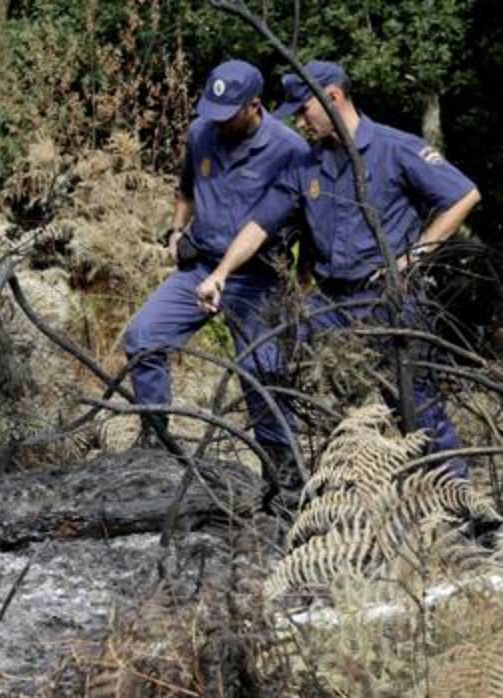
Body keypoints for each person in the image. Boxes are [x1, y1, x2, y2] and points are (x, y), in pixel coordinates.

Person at [196, 61, 481, 477]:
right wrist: (220, 273)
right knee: (268, 365)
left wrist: (414, 257)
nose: (298, 121)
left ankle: (458, 503)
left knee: (414, 404)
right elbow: (260, 224)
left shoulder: (394, 148)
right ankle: (289, 480)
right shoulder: (305, 165)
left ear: (332, 97)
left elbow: (464, 195)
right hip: (332, 302)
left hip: (390, 300)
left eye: (303, 110)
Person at [123, 59, 308, 508]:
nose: (218, 123)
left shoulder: (290, 149)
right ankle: (157, 442)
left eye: (229, 114)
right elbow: (185, 189)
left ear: (254, 106)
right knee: (143, 337)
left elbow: (307, 220)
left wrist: (302, 285)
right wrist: (175, 231)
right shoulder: (201, 131)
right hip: (201, 267)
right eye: (213, 111)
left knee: (262, 376)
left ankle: (285, 484)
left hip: (261, 279)